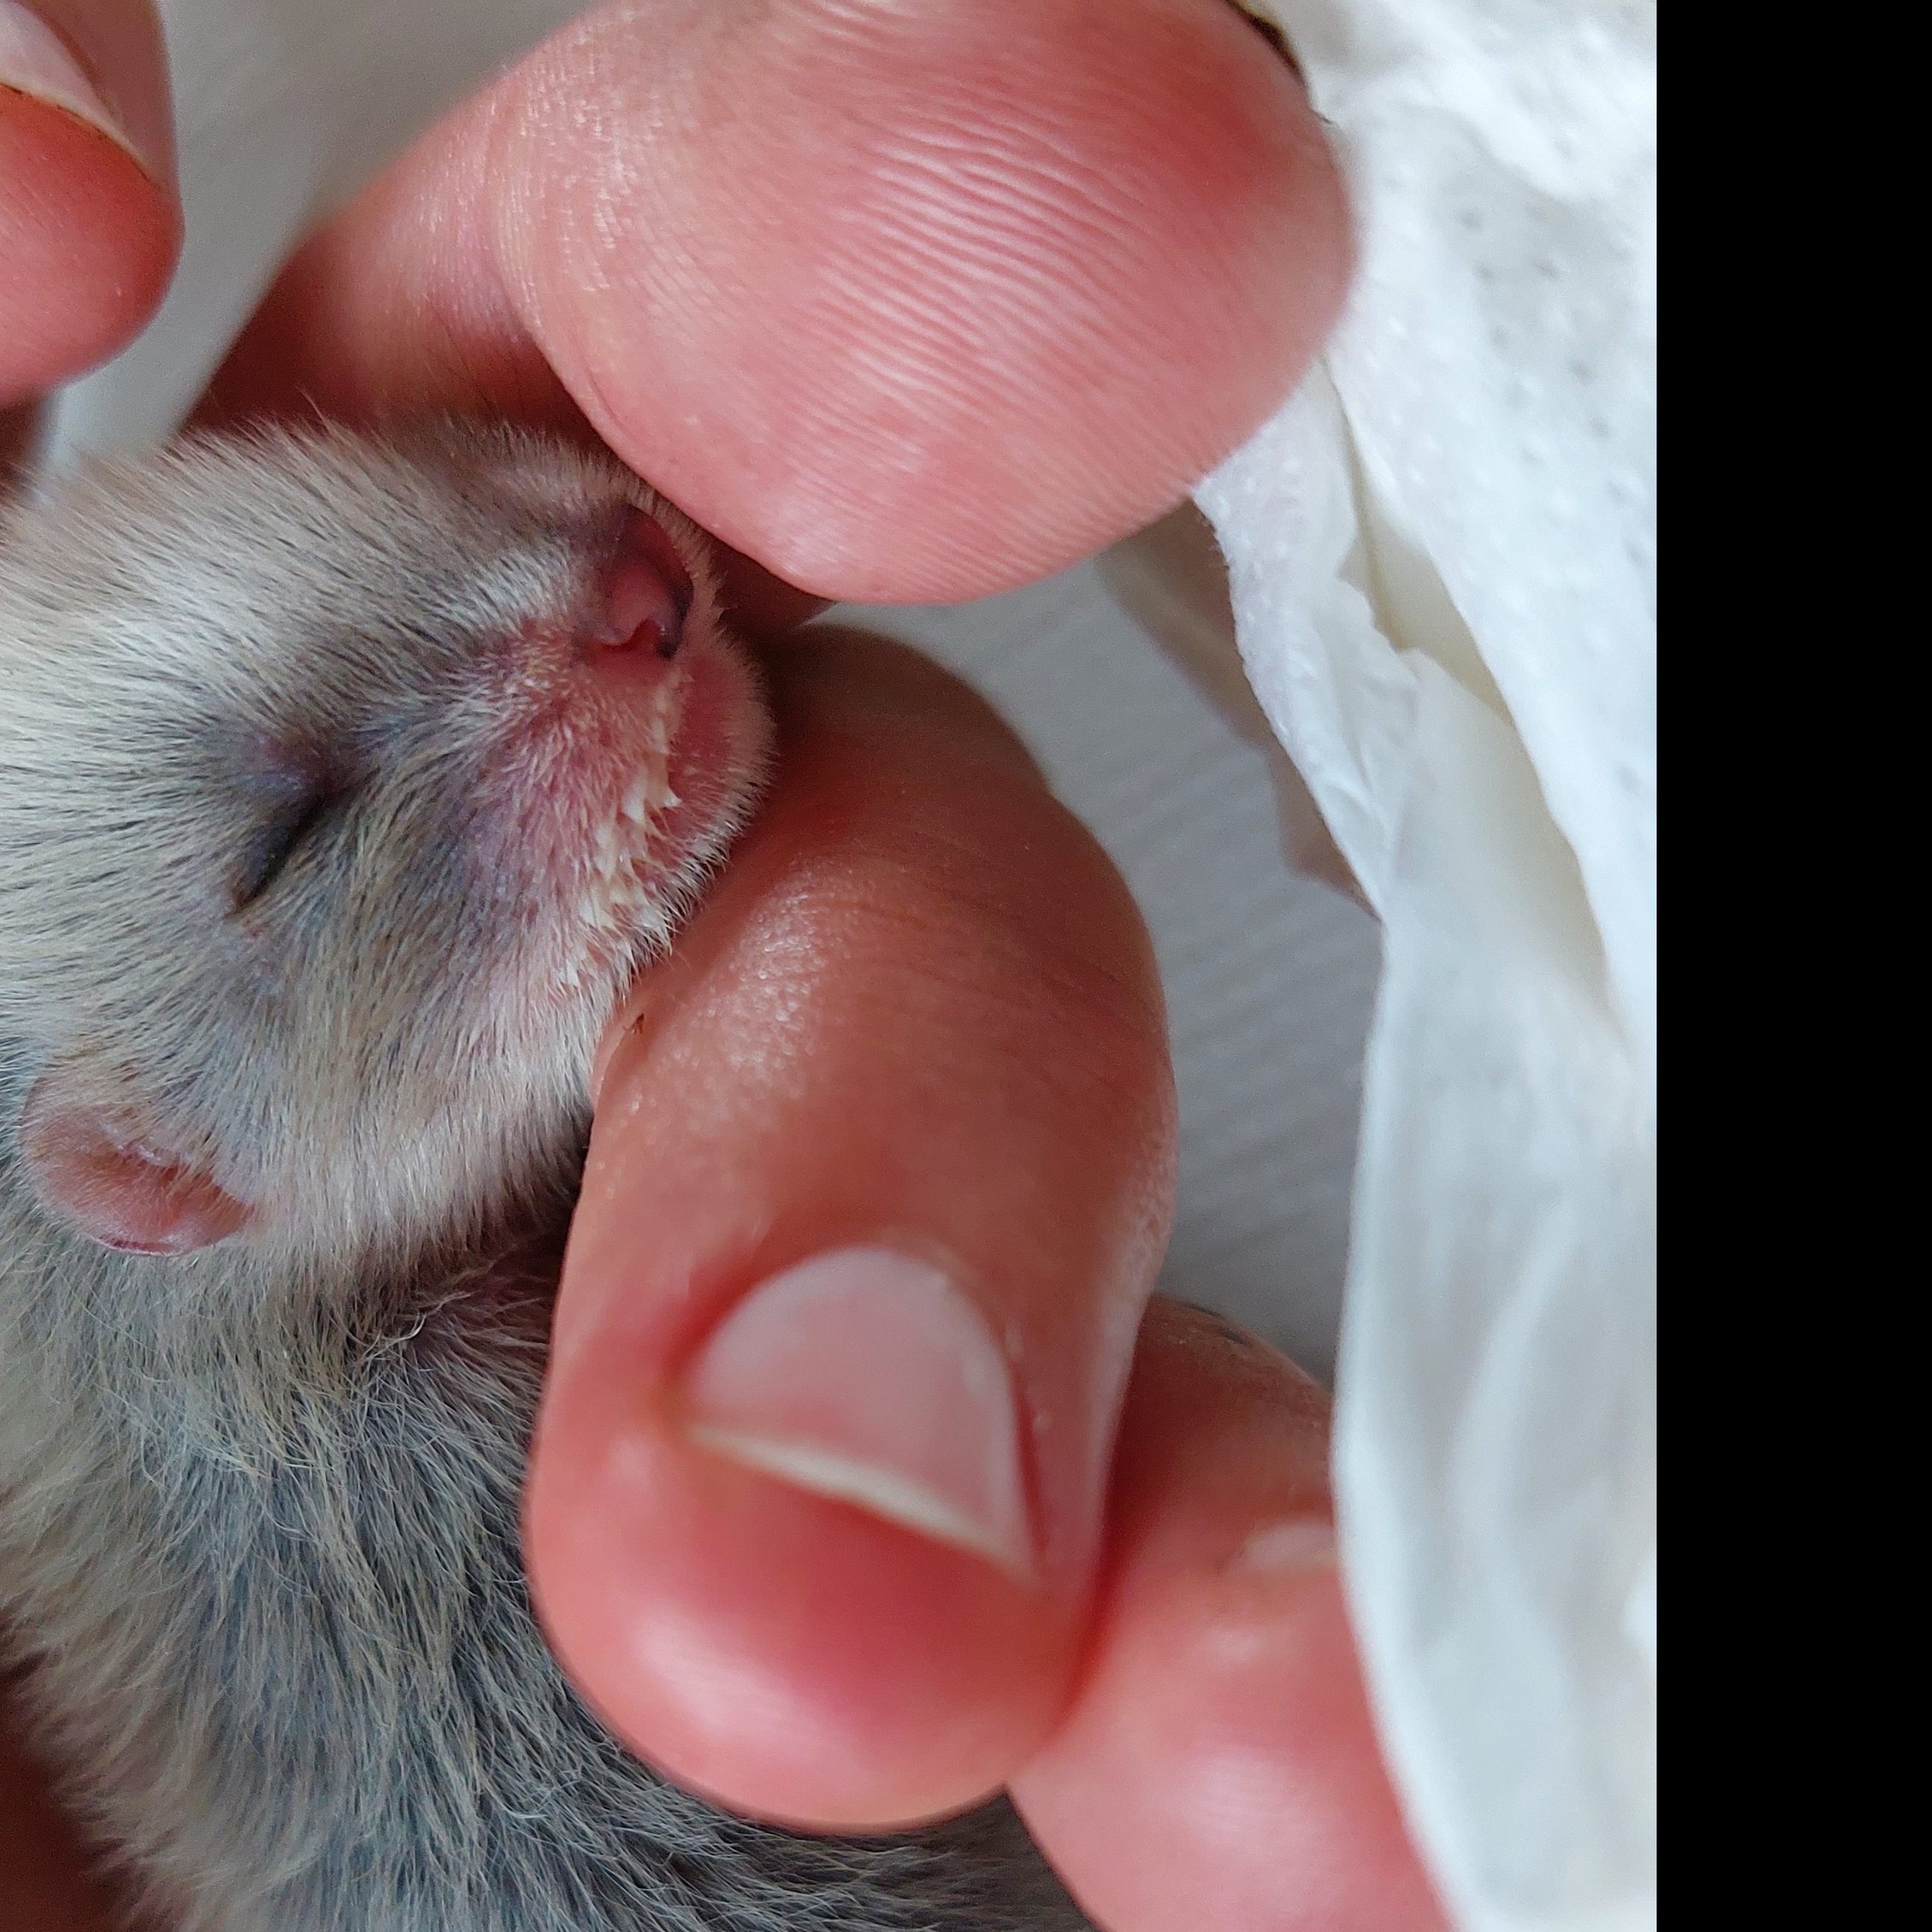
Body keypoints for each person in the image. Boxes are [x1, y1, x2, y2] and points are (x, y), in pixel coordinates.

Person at [0, 2, 1448, 1925]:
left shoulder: (375, 1212)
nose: (586, 580)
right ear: (160, 1171)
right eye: (304, 838)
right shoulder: (338, 1441)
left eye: (410, 490)